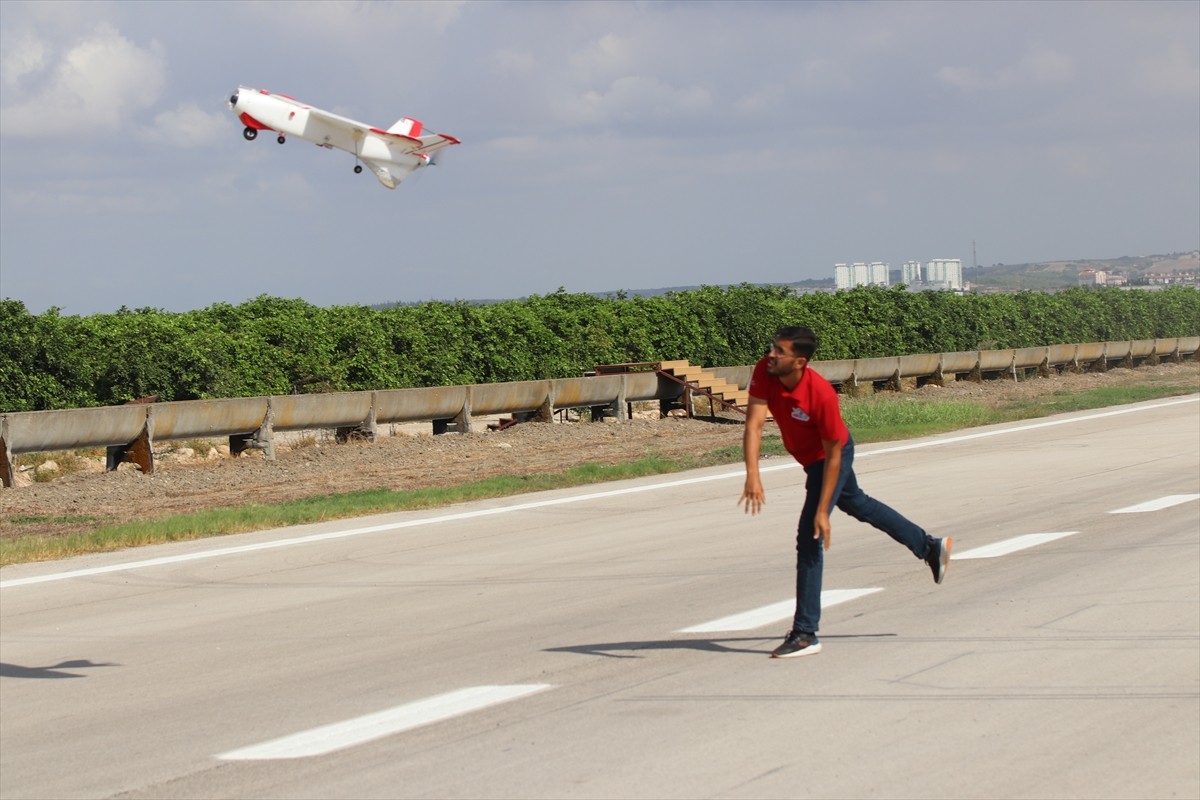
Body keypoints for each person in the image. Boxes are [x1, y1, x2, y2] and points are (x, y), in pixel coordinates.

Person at [739, 326, 951, 658]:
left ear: (800, 361)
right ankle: (929, 547)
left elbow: (835, 454)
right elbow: (753, 424)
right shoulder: (764, 371)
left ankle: (806, 633)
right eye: (772, 348)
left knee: (809, 536)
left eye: (780, 351)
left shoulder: (820, 394)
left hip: (831, 457)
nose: (771, 355)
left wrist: (823, 510)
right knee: (858, 503)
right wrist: (753, 475)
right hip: (811, 459)